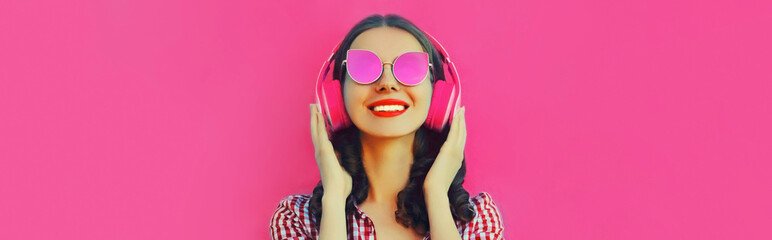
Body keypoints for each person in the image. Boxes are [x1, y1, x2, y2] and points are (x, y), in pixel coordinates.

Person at [270, 14, 504, 240]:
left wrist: (436, 194)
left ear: (440, 95)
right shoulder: (296, 218)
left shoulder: (477, 218)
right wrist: (333, 199)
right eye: (363, 67)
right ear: (336, 97)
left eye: (411, 67)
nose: (387, 83)